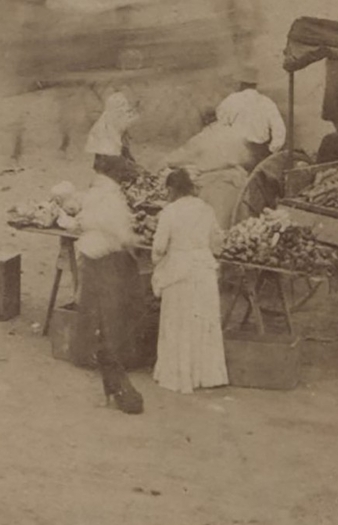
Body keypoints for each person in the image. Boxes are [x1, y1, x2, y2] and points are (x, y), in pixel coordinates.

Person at [76, 154, 145, 413]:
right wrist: (135, 241)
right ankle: (116, 378)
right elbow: (121, 233)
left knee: (98, 318)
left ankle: (108, 379)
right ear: (115, 172)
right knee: (115, 320)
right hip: (108, 260)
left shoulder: (93, 191)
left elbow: (85, 221)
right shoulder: (112, 197)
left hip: (90, 256)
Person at [151, 169, 228, 394]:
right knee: (202, 322)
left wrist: (158, 261)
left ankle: (179, 375)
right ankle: (206, 375)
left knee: (179, 322)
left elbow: (159, 247)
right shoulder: (206, 209)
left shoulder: (170, 212)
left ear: (172, 189)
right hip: (203, 269)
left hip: (179, 270)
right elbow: (217, 242)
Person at [165, 110, 252, 229]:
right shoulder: (235, 135)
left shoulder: (202, 138)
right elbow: (247, 158)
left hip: (212, 187)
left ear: (205, 121)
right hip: (236, 185)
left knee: (213, 226)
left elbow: (173, 160)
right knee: (234, 224)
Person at [216, 70, 286, 169]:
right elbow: (280, 130)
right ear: (255, 85)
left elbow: (221, 124)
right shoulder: (266, 102)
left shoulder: (231, 100)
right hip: (260, 153)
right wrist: (272, 150)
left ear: (241, 84)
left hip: (237, 152)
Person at [85, 90, 139, 172]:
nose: (126, 116)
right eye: (122, 113)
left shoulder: (119, 132)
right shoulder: (104, 129)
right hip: (109, 164)